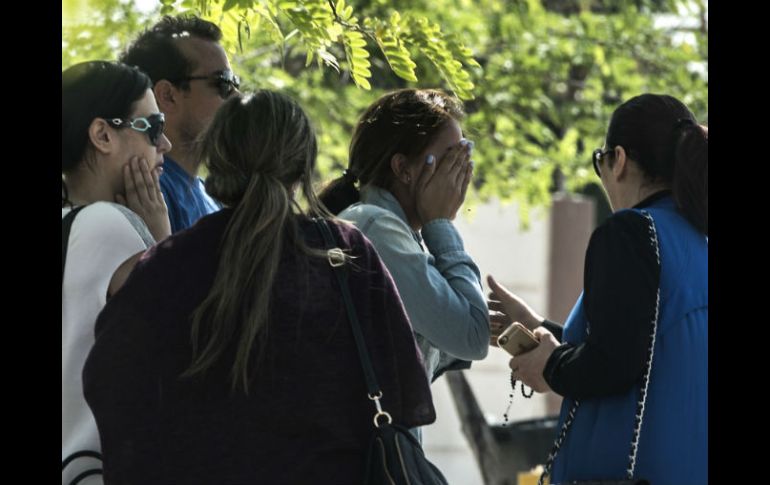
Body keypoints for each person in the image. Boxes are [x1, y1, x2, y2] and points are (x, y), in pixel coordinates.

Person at [82, 91, 436, 483]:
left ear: (217, 159)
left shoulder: (167, 266)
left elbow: (111, 385)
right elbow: (404, 393)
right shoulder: (343, 252)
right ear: (302, 165)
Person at [488, 93, 707, 485]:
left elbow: (613, 363)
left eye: (599, 160)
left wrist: (550, 366)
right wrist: (539, 326)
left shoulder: (631, 232)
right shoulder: (697, 243)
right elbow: (642, 346)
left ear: (618, 160)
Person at [319, 89, 489, 404]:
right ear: (402, 168)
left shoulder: (380, 226)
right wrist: (441, 223)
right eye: (451, 157)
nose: (463, 169)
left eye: (466, 152)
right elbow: (474, 336)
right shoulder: (377, 229)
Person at [62, 60, 172, 484]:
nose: (165, 145)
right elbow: (183, 337)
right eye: (154, 127)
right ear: (103, 135)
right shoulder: (107, 224)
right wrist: (162, 239)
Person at [120, 14, 239, 232]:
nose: (236, 96)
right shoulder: (148, 192)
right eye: (223, 83)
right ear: (168, 96)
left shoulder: (210, 196)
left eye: (235, 83)